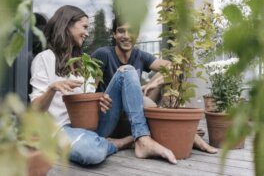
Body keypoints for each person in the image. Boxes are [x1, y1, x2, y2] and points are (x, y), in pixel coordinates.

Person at [29, 5, 177, 166]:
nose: (87, 33)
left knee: (127, 70)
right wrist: (52, 88)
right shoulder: (44, 59)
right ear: (67, 24)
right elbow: (36, 110)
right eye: (84, 27)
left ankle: (142, 139)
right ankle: (120, 142)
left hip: (94, 125)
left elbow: (91, 96)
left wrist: (101, 99)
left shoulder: (83, 62)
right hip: (62, 128)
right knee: (92, 151)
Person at [91, 17, 218, 154]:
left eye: (131, 31)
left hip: (132, 117)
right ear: (114, 34)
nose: (126, 36)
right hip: (110, 119)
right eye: (121, 31)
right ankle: (185, 134)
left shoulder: (139, 55)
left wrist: (154, 82)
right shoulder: (103, 54)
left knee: (165, 78)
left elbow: (172, 67)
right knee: (129, 73)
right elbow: (89, 90)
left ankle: (135, 138)